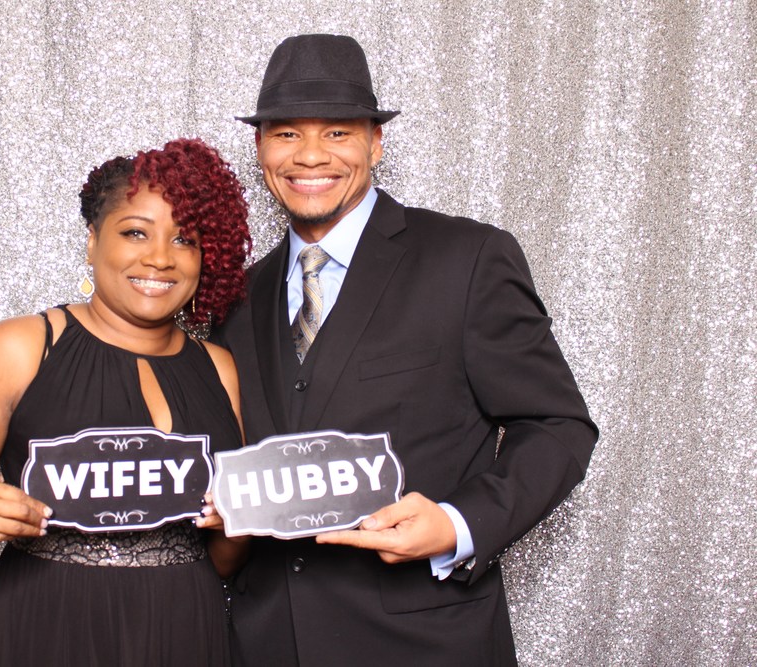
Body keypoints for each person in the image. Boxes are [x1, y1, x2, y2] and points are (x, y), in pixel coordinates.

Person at [214, 34, 599, 666]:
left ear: (375, 143)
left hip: (425, 643)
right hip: (266, 643)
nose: (310, 155)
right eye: (285, 134)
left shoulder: (466, 260)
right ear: (261, 149)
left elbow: (558, 426)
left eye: (337, 132)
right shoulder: (236, 296)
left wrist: (458, 523)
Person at [0, 138, 252, 666]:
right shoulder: (20, 348)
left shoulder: (219, 368)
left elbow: (222, 558)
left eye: (184, 240)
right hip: (48, 624)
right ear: (92, 241)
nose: (159, 258)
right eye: (135, 233)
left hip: (186, 627)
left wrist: (237, 524)